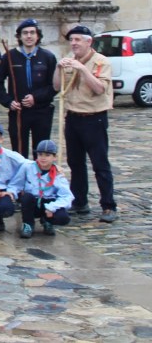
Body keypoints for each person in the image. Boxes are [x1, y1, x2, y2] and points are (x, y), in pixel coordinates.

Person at [53, 25, 117, 223]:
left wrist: (82, 69)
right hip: (73, 117)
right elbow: (57, 87)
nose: (73, 44)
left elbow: (99, 88)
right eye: (71, 40)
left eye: (77, 40)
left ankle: (108, 205)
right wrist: (58, 68)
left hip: (94, 118)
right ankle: (80, 201)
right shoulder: (70, 60)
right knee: (75, 163)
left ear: (89, 42)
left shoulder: (100, 62)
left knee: (100, 164)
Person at [0, 19, 58, 157]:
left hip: (42, 111)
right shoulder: (9, 57)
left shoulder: (48, 57)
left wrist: (36, 97)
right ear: (19, 36)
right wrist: (8, 101)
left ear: (38, 35)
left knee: (41, 151)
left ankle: (39, 177)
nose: (29, 36)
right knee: (19, 151)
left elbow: (54, 86)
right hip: (18, 112)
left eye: (32, 33)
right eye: (25, 33)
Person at [7, 140, 73, 238]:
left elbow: (67, 196)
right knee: (26, 197)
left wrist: (52, 207)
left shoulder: (58, 174)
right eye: (40, 154)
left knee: (63, 218)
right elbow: (16, 184)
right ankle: (28, 224)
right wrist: (11, 193)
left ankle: (47, 221)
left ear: (54, 157)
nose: (43, 158)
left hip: (48, 203)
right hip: (33, 203)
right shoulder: (28, 167)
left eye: (47, 155)